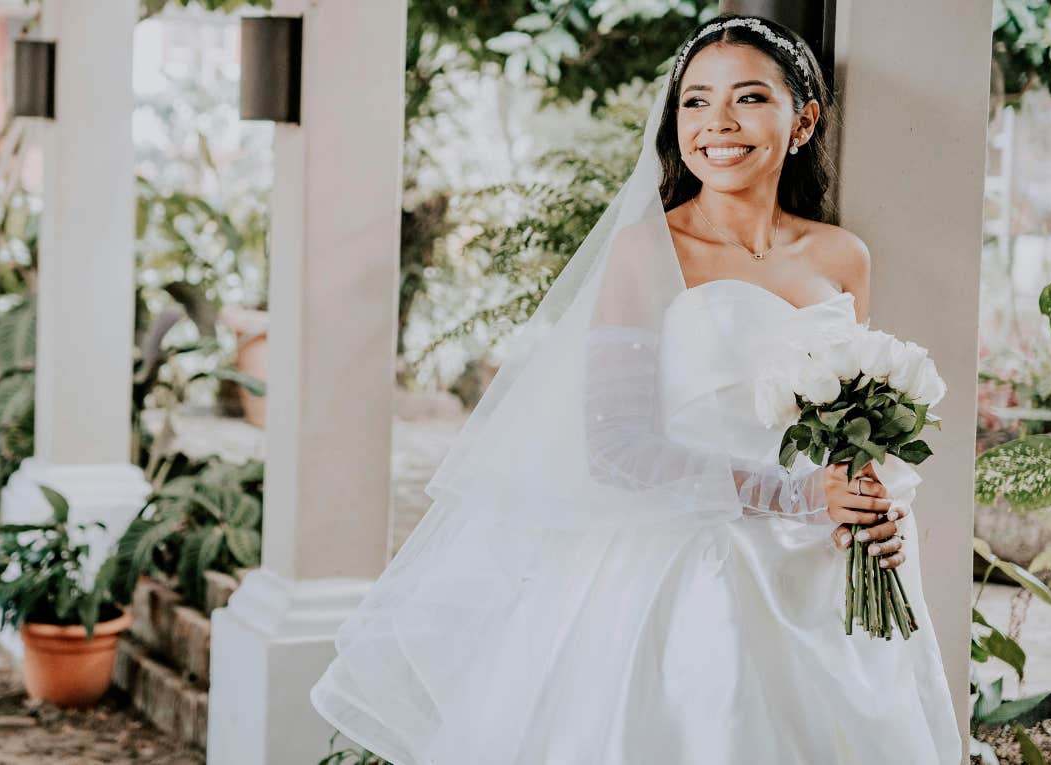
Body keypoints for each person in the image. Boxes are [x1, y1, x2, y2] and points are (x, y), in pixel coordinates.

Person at [309, 13, 961, 765]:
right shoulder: (647, 252)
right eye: (694, 101)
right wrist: (794, 496)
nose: (717, 121)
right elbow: (617, 450)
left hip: (823, 574)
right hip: (689, 575)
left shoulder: (843, 255)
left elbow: (848, 427)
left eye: (749, 98)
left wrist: (866, 499)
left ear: (803, 120)